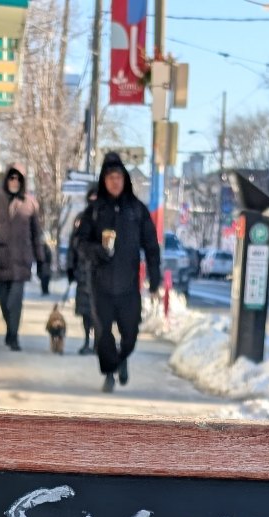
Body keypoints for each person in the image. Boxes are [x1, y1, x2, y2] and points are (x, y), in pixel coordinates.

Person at [85, 152, 161, 392]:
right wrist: (96, 250)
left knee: (130, 334)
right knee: (103, 333)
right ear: (104, 181)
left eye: (118, 177)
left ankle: (121, 358)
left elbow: (151, 245)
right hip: (101, 284)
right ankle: (109, 372)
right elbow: (80, 242)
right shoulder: (95, 210)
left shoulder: (137, 210)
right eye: (110, 177)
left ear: (125, 179)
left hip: (129, 285)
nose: (114, 181)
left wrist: (155, 277)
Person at [0, 164, 44, 351]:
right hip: (3, 259)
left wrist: (41, 260)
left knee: (15, 300)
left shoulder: (30, 204)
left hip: (22, 260)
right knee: (3, 299)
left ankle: (13, 336)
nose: (14, 182)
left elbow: (36, 235)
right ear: (7, 180)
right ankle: (10, 329)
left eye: (18, 179)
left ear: (22, 182)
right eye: (11, 178)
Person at [67, 185, 98, 354]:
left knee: (100, 312)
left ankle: (98, 343)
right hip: (83, 272)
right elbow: (73, 244)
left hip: (101, 274)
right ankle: (87, 341)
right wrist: (70, 268)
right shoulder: (81, 218)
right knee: (86, 311)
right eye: (91, 197)